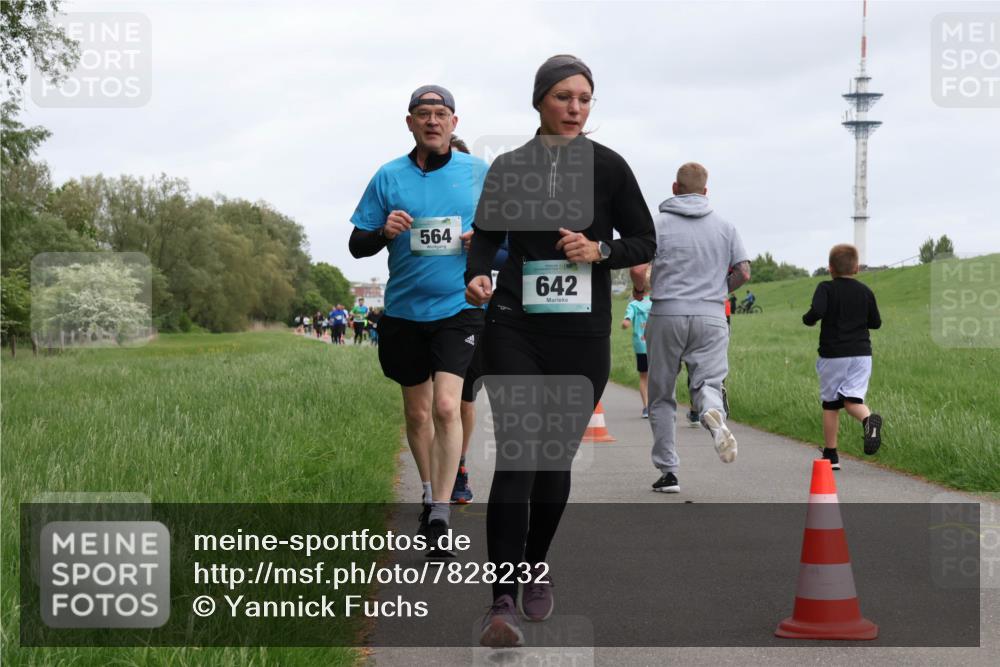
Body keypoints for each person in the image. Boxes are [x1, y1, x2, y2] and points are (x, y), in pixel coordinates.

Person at [466, 55, 655, 647]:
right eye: (563, 97)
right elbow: (488, 239)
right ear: (540, 101)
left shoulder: (609, 167)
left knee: (552, 462)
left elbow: (646, 239)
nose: (575, 109)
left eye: (585, 99)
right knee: (519, 455)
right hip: (515, 325)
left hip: (581, 334)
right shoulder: (510, 167)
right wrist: (476, 276)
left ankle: (534, 563)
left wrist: (600, 251)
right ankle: (501, 602)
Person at [348, 85, 488, 553]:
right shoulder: (388, 176)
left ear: (454, 122)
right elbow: (357, 244)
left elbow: (509, 239)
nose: (433, 121)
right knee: (417, 411)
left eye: (441, 114)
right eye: (423, 114)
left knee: (448, 406)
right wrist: (382, 231)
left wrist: (482, 246)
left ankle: (442, 514)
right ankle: (430, 494)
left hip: (460, 308)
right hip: (405, 312)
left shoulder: (479, 173)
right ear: (409, 122)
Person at [646, 162, 751, 495]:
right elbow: (744, 272)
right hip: (711, 315)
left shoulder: (657, 225)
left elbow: (638, 270)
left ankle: (669, 472)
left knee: (661, 394)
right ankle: (712, 413)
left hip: (667, 313)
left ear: (675, 188)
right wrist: (720, 289)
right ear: (706, 192)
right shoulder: (726, 227)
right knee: (709, 382)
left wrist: (646, 289)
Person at [802, 243, 883, 470]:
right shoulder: (865, 291)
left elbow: (817, 312)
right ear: (856, 268)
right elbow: (876, 323)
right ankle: (868, 421)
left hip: (834, 354)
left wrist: (807, 319)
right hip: (861, 355)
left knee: (831, 404)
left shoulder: (825, 288)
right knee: (853, 400)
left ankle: (831, 455)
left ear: (830, 268)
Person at [622, 279, 652, 418]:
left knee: (643, 377)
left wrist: (625, 323)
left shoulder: (633, 305)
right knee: (657, 376)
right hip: (656, 345)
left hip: (641, 346)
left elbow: (626, 321)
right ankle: (658, 405)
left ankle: (646, 407)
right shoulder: (655, 302)